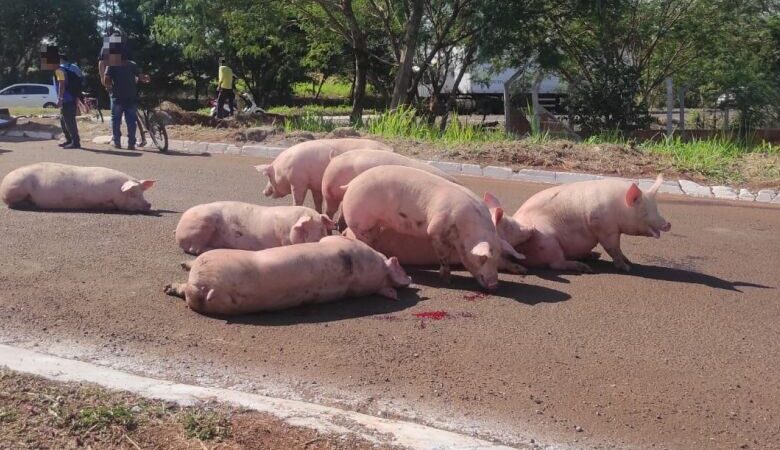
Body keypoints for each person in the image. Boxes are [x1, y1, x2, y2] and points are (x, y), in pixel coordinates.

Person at [103, 57, 149, 150]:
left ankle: (117, 142)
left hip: (117, 97)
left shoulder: (112, 64)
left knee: (116, 120)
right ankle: (131, 143)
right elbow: (140, 76)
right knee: (131, 121)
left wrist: (109, 88)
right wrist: (145, 78)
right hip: (131, 96)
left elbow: (106, 78)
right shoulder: (132, 64)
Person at [55, 53, 84, 149]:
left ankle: (75, 142)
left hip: (66, 98)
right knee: (64, 119)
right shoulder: (74, 67)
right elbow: (81, 80)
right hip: (73, 95)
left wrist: (60, 98)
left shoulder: (59, 69)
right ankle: (70, 140)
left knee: (68, 120)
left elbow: (61, 84)